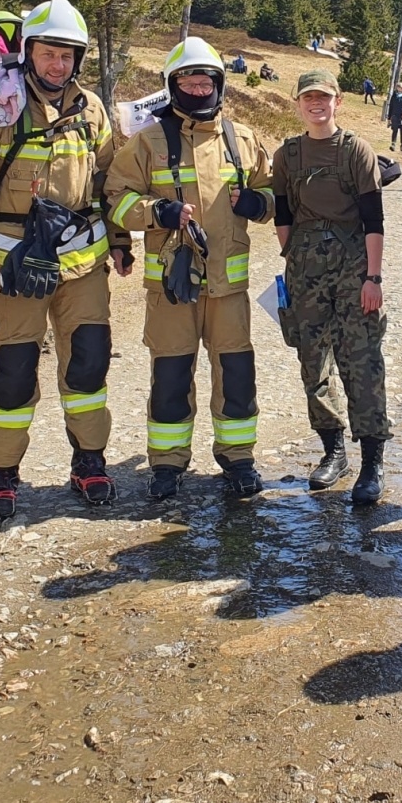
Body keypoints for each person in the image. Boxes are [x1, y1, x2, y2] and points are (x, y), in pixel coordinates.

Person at [0, 0, 132, 523]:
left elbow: (107, 181)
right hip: (10, 268)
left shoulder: (91, 110)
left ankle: (89, 462)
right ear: (28, 51)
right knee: (14, 372)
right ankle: (2, 474)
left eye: (67, 55)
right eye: (49, 53)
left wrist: (120, 240)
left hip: (81, 266)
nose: (58, 64)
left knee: (89, 364)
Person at [106, 37, 276, 499]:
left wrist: (258, 202)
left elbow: (274, 193)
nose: (199, 91)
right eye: (189, 83)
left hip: (228, 290)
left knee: (236, 375)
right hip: (172, 288)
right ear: (172, 87)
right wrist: (155, 212)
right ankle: (166, 464)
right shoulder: (148, 142)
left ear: (219, 85)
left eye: (206, 83)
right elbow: (115, 199)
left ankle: (238, 460)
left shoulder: (242, 140)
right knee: (171, 376)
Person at [272, 70, 391, 503]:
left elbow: (374, 221)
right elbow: (282, 216)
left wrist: (372, 278)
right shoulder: (287, 155)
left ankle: (372, 462)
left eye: (323, 97)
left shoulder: (356, 150)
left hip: (353, 269)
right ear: (298, 104)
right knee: (313, 362)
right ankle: (333, 452)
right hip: (305, 272)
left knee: (361, 362)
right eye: (308, 98)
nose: (316, 104)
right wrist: (296, 260)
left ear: (338, 101)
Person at [385, 82, 402, 151]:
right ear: (397, 88)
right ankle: (393, 144)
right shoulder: (394, 96)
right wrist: (389, 118)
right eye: (401, 87)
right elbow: (391, 107)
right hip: (395, 116)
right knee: (395, 130)